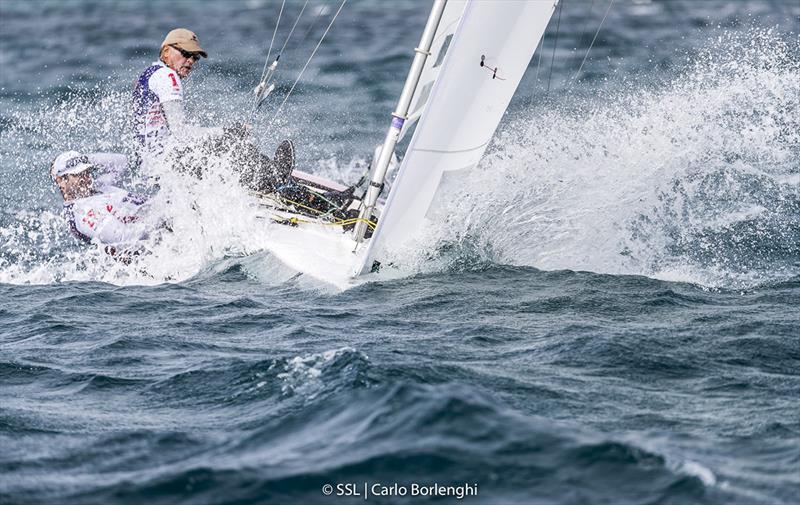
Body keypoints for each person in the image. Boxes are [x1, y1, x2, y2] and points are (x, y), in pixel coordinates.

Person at [132, 28, 295, 193]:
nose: (190, 61)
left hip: (149, 168)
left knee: (217, 143)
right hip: (165, 169)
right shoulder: (169, 77)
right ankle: (275, 178)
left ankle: (260, 176)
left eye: (195, 57)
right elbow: (181, 133)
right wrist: (226, 132)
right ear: (166, 51)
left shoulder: (148, 74)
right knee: (230, 144)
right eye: (185, 53)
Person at [51, 150, 162, 258]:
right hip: (163, 235)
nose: (84, 178)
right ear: (60, 180)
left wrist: (86, 158)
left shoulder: (100, 186)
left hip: (166, 215)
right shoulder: (82, 213)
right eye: (77, 175)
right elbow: (126, 237)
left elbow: (122, 162)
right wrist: (163, 221)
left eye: (86, 172)